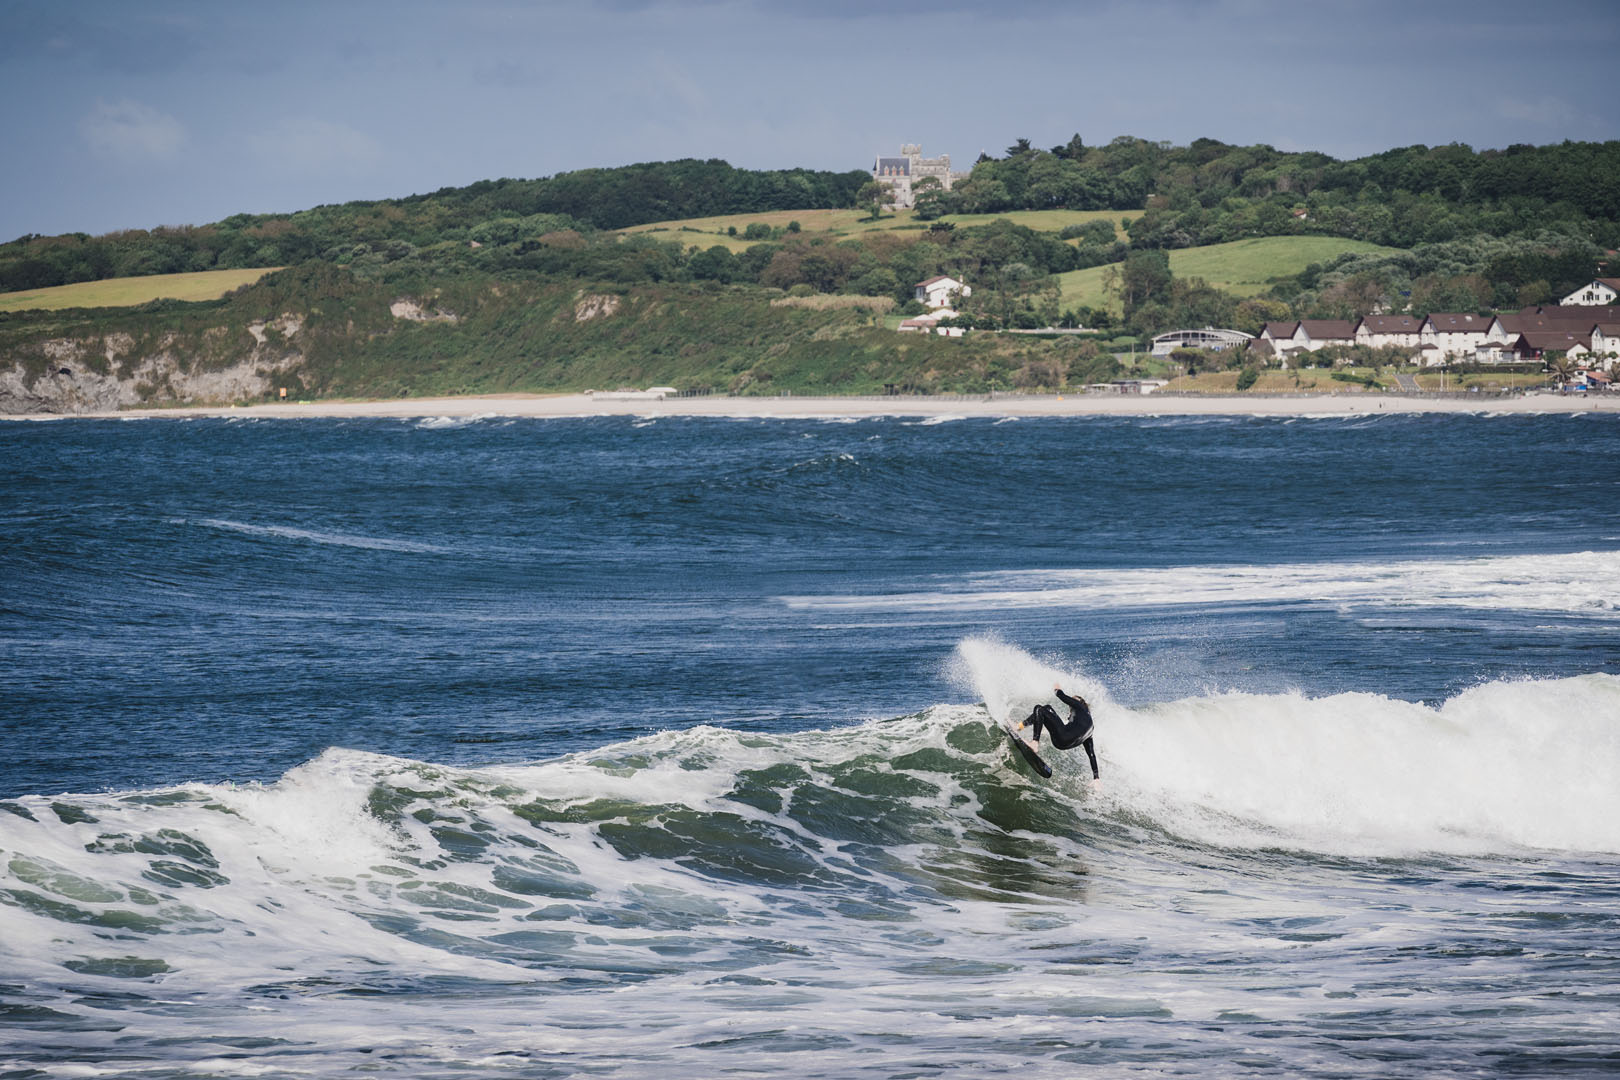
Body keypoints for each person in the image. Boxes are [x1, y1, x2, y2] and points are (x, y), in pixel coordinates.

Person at [1018, 683, 1100, 780]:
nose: (1071, 703)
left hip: (1063, 736)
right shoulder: (1090, 728)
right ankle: (1019, 726)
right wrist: (1096, 777)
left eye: (1073, 699)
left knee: (1039, 709)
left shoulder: (1080, 706)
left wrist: (1057, 689)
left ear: (1079, 702)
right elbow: (1091, 754)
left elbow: (1062, 696)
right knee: (1047, 708)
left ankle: (1034, 743)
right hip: (1062, 744)